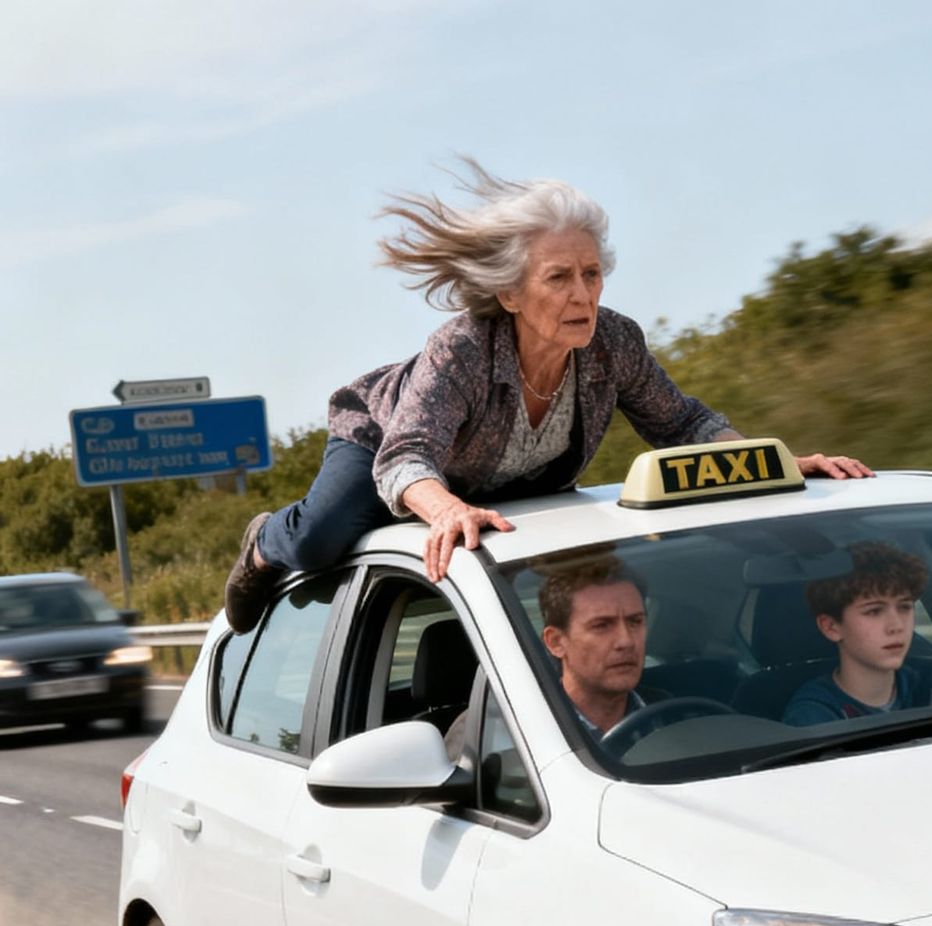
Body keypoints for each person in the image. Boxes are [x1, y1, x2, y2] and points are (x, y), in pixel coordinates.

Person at [225, 164, 872, 633]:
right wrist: (447, 508)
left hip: (495, 478)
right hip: (384, 440)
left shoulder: (614, 343)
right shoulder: (462, 348)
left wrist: (774, 463)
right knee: (319, 539)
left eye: (591, 275)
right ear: (510, 293)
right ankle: (262, 542)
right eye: (558, 278)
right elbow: (406, 458)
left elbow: (684, 424)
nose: (583, 295)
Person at [783, 542, 932, 725]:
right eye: (874, 611)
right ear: (831, 627)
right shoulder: (814, 718)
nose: (896, 626)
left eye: (904, 607)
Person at [538, 554, 649, 736]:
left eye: (635, 621)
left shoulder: (681, 718)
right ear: (556, 642)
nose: (626, 641)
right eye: (601, 626)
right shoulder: (528, 731)